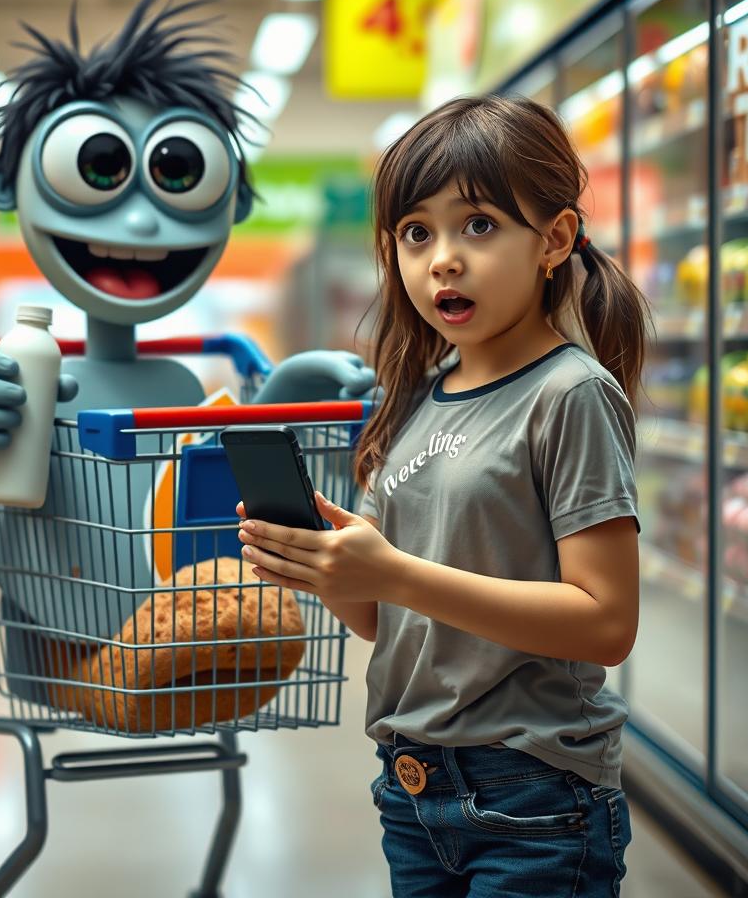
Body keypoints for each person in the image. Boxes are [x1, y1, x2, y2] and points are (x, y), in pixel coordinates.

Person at [234, 94, 652, 897]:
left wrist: (393, 574)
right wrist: (329, 570)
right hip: (412, 788)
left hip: (534, 794)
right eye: (416, 233)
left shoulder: (570, 394)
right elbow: (386, 619)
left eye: (480, 226)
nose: (443, 259)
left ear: (555, 241)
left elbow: (606, 623)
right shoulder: (421, 395)